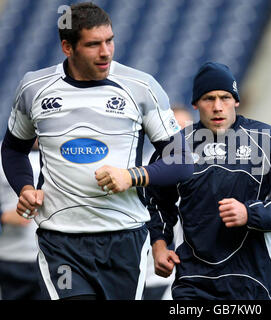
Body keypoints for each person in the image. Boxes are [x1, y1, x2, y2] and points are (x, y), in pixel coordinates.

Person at [1, 2, 193, 300]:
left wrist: (133, 176)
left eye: (109, 40)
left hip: (124, 239)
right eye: (93, 44)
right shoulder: (34, 88)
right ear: (68, 47)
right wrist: (25, 187)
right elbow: (13, 149)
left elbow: (182, 161)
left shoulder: (141, 88)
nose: (106, 52)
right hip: (61, 242)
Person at [147, 61, 271, 300]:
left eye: (224, 97)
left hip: (255, 280)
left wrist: (249, 214)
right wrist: (159, 245)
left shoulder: (267, 140)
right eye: (208, 98)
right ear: (195, 104)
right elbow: (156, 199)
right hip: (195, 281)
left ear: (236, 101)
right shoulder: (177, 146)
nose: (217, 107)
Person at [143, 106, 194, 300]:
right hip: (148, 272)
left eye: (186, 129)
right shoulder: (143, 167)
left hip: (182, 274)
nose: (181, 137)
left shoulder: (201, 171)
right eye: (176, 129)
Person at [0, 141, 42, 300]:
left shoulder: (61, 154)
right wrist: (3, 217)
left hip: (52, 257)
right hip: (12, 258)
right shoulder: (4, 154)